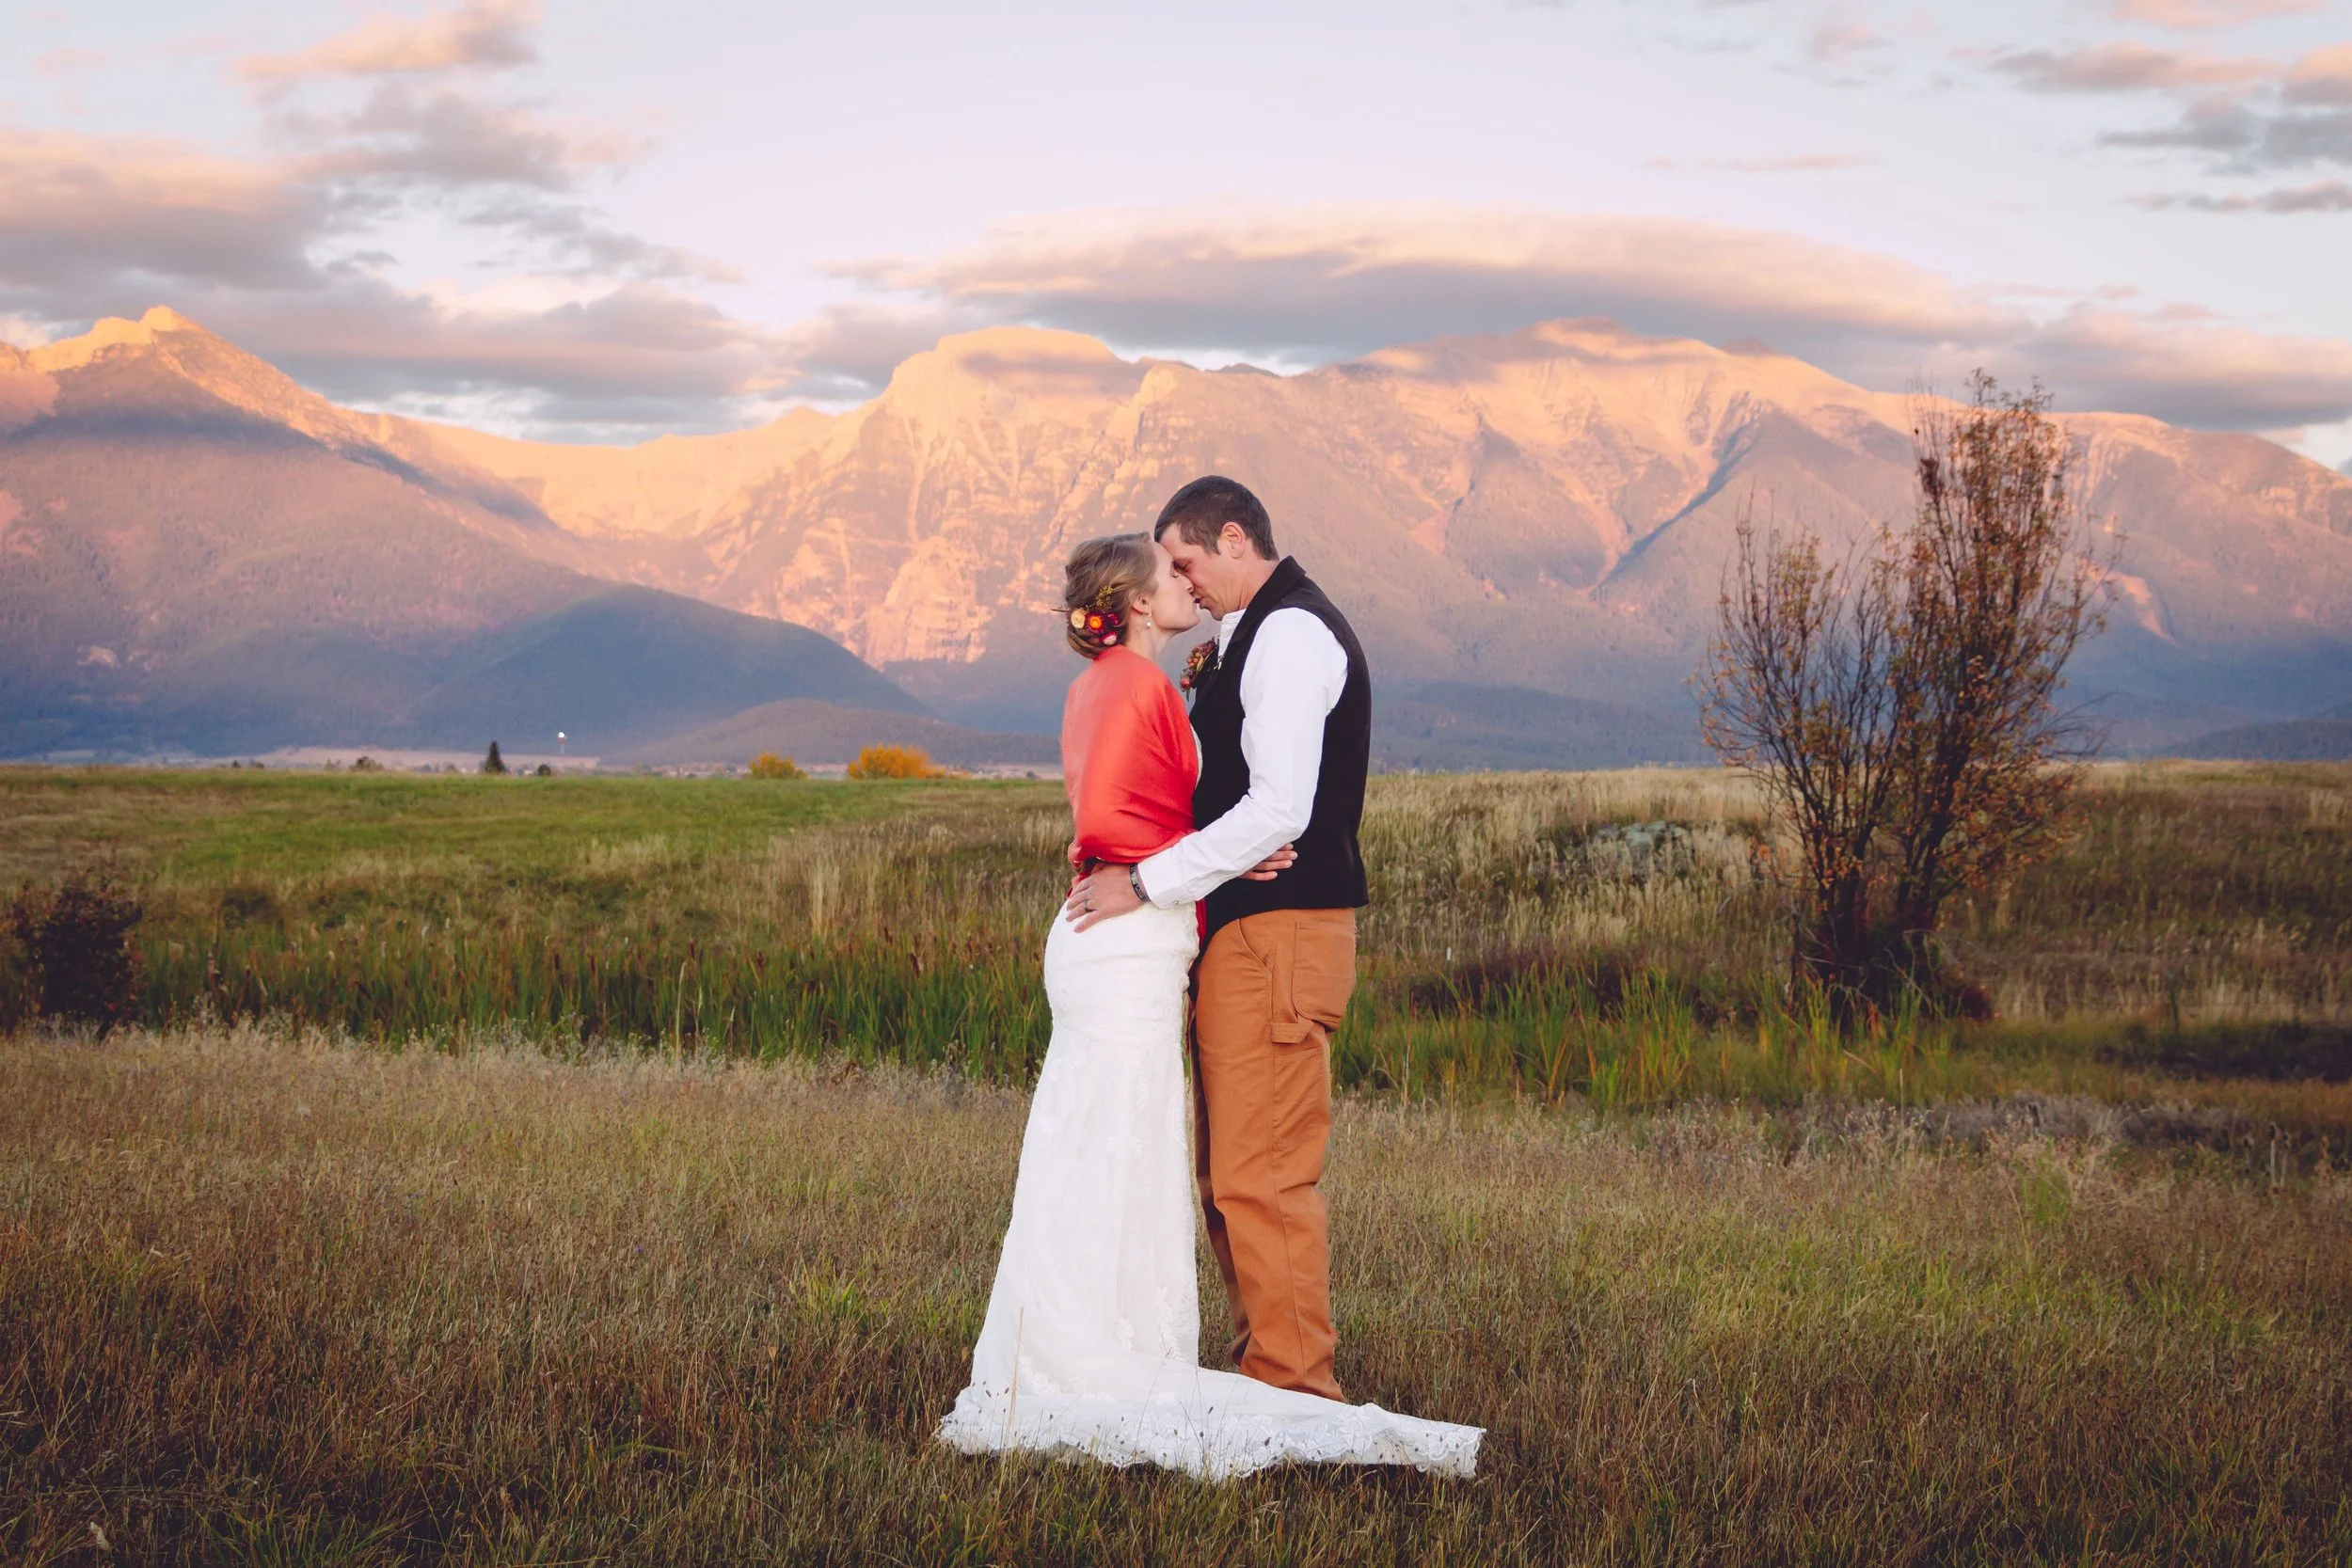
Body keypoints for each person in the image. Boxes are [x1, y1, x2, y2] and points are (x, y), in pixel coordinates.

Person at [936, 527, 1480, 1480]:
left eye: (1187, 561)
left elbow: (1151, 805)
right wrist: (1210, 856)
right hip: (1126, 938)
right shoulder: (1140, 682)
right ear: (1138, 602)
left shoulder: (1107, 681)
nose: (1185, 582)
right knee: (1137, 1147)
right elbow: (1143, 814)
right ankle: (1126, 1356)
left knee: (1112, 1143)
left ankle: (1085, 1338)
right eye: (1170, 572)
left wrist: (1207, 850)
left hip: (1119, 935)